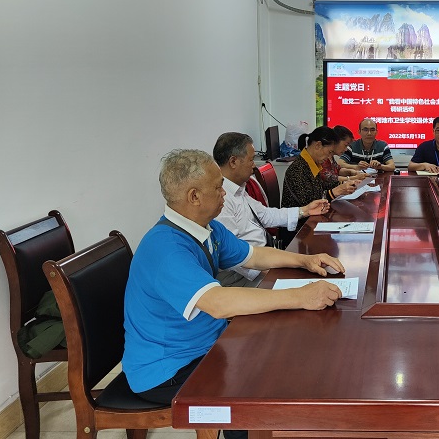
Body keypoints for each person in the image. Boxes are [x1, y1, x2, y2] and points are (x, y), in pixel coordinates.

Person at [122, 149, 344, 439]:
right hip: (169, 368)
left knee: (284, 351)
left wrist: (305, 261)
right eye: (217, 188)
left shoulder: (206, 228)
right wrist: (301, 296)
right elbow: (218, 303)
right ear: (194, 196)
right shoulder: (166, 248)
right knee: (258, 385)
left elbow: (253, 255)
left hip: (205, 343)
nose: (224, 193)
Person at [213, 132, 329, 286]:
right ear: (233, 161)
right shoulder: (220, 200)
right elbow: (232, 256)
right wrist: (274, 272)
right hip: (246, 277)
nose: (254, 165)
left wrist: (305, 211)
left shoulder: (239, 189)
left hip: (266, 259)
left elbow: (265, 214)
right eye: (251, 160)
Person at [281, 126, 356, 209]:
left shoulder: (312, 163)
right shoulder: (297, 169)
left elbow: (322, 187)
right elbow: (309, 204)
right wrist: (334, 192)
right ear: (318, 145)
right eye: (329, 152)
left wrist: (344, 184)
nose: (328, 156)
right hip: (300, 217)